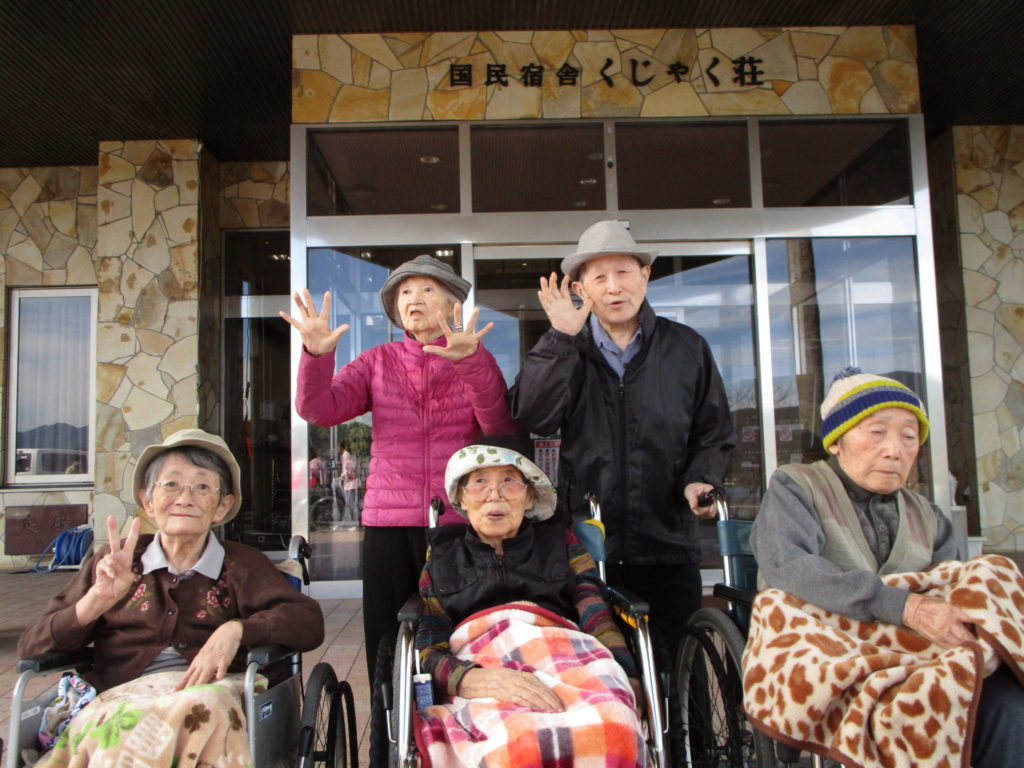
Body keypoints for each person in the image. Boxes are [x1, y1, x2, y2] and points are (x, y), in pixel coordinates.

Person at [748, 368, 1024, 767]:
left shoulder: (926, 514)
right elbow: (788, 565)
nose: (894, 450)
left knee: (1007, 701)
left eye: (909, 437)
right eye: (877, 432)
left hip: (917, 657)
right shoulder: (797, 487)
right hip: (832, 655)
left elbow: (952, 586)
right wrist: (904, 606)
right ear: (837, 441)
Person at [18, 428, 325, 766]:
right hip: (121, 700)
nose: (185, 498)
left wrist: (237, 630)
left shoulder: (241, 565)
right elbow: (32, 647)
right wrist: (96, 601)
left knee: (203, 708)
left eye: (202, 487)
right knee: (121, 724)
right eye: (171, 484)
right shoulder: (117, 562)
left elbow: (308, 622)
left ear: (222, 506)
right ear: (148, 501)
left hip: (212, 697)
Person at [509, 219, 735, 666]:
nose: (614, 287)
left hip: (668, 543)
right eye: (599, 277)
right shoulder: (564, 350)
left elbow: (713, 432)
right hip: (586, 545)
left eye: (625, 272)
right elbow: (531, 417)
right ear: (581, 289)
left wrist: (700, 479)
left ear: (645, 276)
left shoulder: (687, 347)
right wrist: (559, 338)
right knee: (602, 675)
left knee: (679, 668)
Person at [281, 254, 516, 678]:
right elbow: (318, 409)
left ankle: (456, 713)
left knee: (463, 634)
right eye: (405, 291)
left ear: (453, 304)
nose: (413, 299)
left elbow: (498, 426)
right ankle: (388, 717)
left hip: (459, 521)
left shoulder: (473, 357)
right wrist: (315, 355)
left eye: (427, 289)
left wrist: (469, 362)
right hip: (388, 523)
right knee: (388, 638)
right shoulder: (377, 361)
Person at [415, 440, 646, 768]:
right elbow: (427, 649)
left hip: (569, 659)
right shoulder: (441, 559)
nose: (494, 495)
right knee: (513, 747)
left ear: (528, 496)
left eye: (509, 481)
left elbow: (595, 613)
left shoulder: (562, 542)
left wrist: (628, 673)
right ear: (462, 498)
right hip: (477, 669)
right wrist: (473, 680)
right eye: (479, 482)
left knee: (615, 730)